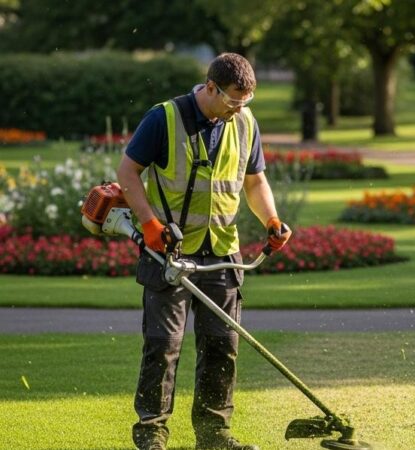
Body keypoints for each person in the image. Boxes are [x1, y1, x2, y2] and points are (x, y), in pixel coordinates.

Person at [117, 53, 291, 450]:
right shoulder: (164, 118)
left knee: (222, 347)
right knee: (163, 347)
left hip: (223, 255)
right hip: (169, 254)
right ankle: (151, 435)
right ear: (210, 87)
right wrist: (149, 223)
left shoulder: (245, 122)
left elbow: (254, 181)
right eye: (232, 100)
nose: (238, 109)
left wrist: (272, 220)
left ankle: (214, 435)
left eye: (245, 102)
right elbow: (127, 172)